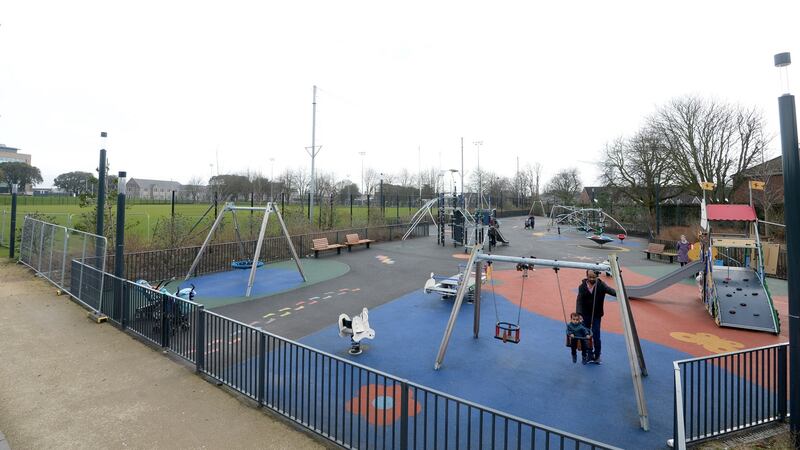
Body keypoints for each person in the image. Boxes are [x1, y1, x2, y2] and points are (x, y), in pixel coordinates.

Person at [575, 270, 616, 364]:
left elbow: (612, 292)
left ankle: (597, 355)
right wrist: (579, 314)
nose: (592, 279)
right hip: (585, 314)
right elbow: (579, 300)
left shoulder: (601, 285)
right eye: (590, 277)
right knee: (586, 335)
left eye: (594, 277)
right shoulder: (582, 287)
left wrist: (621, 292)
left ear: (597, 276)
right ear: (586, 276)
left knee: (596, 336)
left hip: (596, 315)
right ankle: (589, 354)